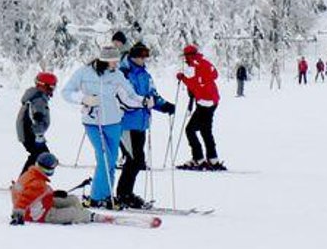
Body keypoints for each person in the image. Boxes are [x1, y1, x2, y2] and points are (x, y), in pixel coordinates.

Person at [62, 46, 147, 208]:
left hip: (114, 122)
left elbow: (129, 96)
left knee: (112, 160)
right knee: (104, 158)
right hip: (93, 122)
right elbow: (66, 92)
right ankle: (96, 197)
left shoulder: (117, 75)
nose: (117, 64)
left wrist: (143, 101)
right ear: (105, 60)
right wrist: (84, 99)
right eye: (114, 61)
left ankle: (106, 195)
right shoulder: (84, 72)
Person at [117, 42, 175, 208]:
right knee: (133, 159)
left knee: (138, 160)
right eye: (141, 56)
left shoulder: (144, 75)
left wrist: (164, 106)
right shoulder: (123, 74)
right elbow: (127, 97)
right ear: (133, 56)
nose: (143, 60)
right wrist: (144, 102)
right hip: (126, 123)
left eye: (145, 57)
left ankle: (127, 193)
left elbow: (152, 95)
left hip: (141, 123)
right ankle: (123, 194)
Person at [176, 45, 224, 171]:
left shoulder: (195, 65)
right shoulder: (202, 62)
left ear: (189, 55)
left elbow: (195, 84)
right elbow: (212, 75)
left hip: (205, 102)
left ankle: (199, 159)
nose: (185, 59)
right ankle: (212, 159)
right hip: (212, 101)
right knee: (205, 131)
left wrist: (183, 78)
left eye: (185, 57)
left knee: (191, 130)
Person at [10, 153, 93, 225]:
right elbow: (24, 198)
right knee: (73, 213)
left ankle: (85, 213)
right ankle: (90, 216)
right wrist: (18, 214)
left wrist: (53, 194)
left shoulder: (29, 174)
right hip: (40, 214)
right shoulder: (37, 183)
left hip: (40, 204)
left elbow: (33, 194)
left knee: (73, 200)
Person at [16, 72, 57, 174]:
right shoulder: (38, 99)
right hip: (30, 132)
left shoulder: (37, 96)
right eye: (51, 87)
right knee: (39, 156)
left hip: (30, 131)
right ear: (44, 86)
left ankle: (29, 181)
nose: (52, 91)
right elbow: (36, 117)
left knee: (40, 155)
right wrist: (38, 135)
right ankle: (24, 182)